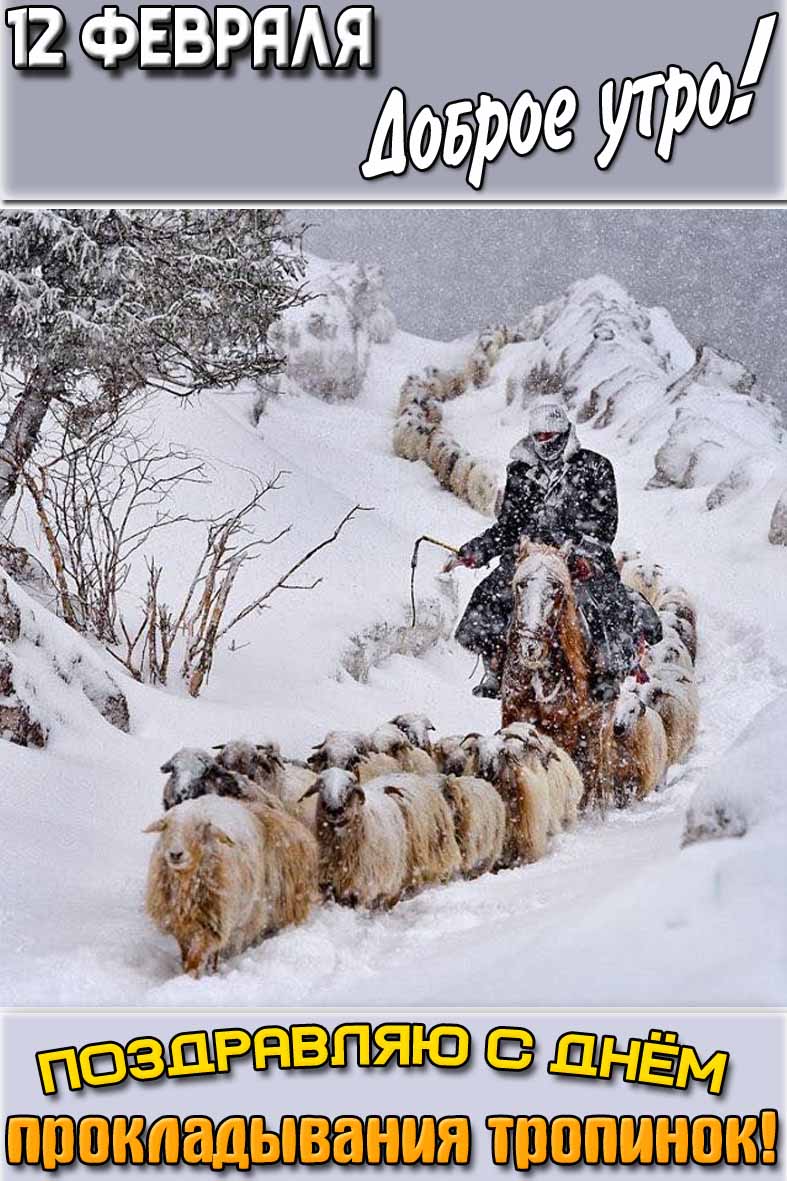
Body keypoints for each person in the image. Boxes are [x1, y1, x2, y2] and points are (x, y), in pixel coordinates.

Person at [446, 397, 660, 699]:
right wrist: (475, 551)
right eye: (539, 438)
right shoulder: (520, 472)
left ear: (564, 435)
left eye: (550, 438)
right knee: (491, 595)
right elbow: (509, 526)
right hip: (528, 557)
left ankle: (606, 671)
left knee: (604, 603)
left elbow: (605, 524)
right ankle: (495, 668)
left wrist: (583, 554)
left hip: (579, 558)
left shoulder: (596, 467)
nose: (544, 443)